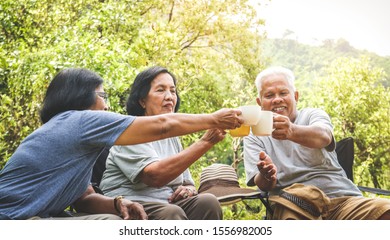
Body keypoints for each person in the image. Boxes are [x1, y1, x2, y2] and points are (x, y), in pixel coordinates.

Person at [0, 68, 243, 220]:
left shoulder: (73, 135)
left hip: (38, 216)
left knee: (204, 202)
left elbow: (83, 197)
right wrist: (213, 119)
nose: (106, 105)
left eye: (173, 90)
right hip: (14, 218)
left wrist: (117, 203)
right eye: (102, 96)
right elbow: (163, 126)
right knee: (111, 224)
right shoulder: (79, 120)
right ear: (78, 97)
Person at [243, 66, 390, 220]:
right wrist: (266, 176)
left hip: (343, 201)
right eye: (269, 95)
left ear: (296, 96)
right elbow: (261, 184)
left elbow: (324, 137)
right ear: (260, 102)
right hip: (293, 205)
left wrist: (291, 131)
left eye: (283, 93)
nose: (277, 99)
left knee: (385, 210)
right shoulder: (254, 134)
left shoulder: (312, 115)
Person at [99, 66, 224, 220]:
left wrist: (188, 189)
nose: (169, 96)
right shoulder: (130, 130)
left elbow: (187, 182)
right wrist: (206, 141)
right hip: (131, 201)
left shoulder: (173, 136)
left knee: (208, 202)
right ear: (142, 101)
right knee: (171, 213)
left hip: (167, 202)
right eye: (160, 90)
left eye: (173, 91)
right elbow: (155, 176)